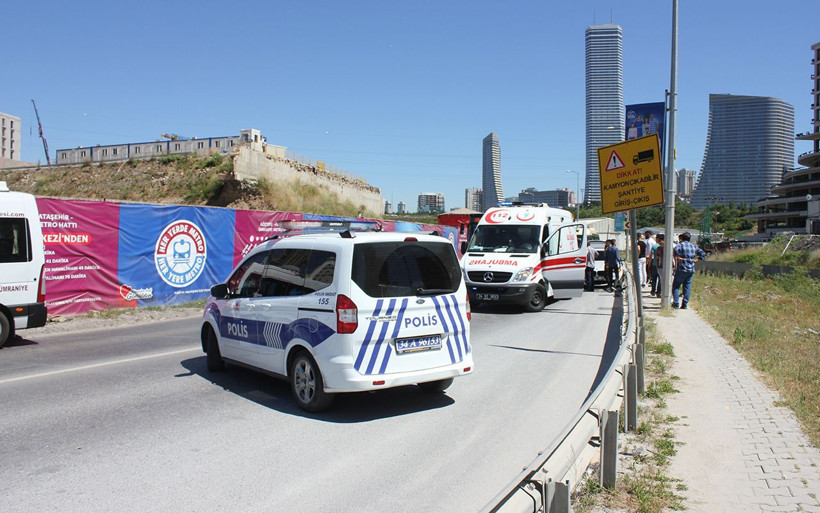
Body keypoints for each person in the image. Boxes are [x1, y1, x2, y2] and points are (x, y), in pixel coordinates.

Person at [671, 231, 707, 309]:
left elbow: (675, 251)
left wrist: (678, 257)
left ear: (681, 238)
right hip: (691, 269)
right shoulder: (693, 246)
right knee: (687, 287)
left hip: (681, 268)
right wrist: (697, 259)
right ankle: (684, 304)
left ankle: (676, 303)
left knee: (676, 286)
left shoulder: (679, 245)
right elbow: (703, 254)